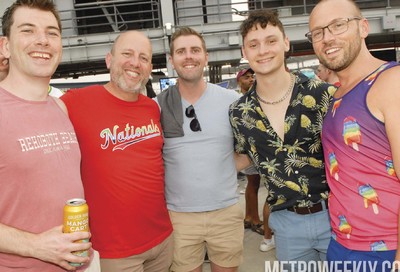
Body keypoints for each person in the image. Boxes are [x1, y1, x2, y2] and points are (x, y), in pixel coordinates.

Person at [229, 9, 335, 271]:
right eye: (254, 44)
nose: (263, 50)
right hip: (286, 225)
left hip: (336, 215)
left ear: (286, 43)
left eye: (271, 40)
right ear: (245, 51)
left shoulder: (325, 95)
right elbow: (242, 158)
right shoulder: (239, 112)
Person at [61, 30, 173, 272]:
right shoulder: (76, 102)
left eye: (143, 58)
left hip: (163, 240)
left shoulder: (151, 108)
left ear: (150, 67)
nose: (135, 63)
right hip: (116, 252)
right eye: (127, 54)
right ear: (109, 60)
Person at [0, 0, 94, 271]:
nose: (42, 41)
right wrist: (35, 246)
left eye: (52, 33)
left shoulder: (60, 107)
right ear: (5, 46)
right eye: (28, 30)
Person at [308, 0, 400, 270]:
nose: (327, 38)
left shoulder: (390, 82)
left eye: (338, 25)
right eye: (317, 32)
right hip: (341, 244)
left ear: (363, 27)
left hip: (386, 249)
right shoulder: (336, 94)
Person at [156, 26, 243, 272]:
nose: (189, 56)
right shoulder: (157, 107)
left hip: (225, 212)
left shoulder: (231, 101)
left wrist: (223, 166)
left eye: (195, 50)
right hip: (179, 217)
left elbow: (250, 150)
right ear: (172, 61)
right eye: (181, 51)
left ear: (206, 57)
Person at [236, 67, 275, 252]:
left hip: (255, 151)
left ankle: (250, 216)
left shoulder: (256, 97)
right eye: (246, 77)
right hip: (248, 152)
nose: (250, 79)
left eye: (252, 76)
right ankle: (254, 219)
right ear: (239, 81)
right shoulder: (239, 102)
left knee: (254, 184)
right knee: (253, 184)